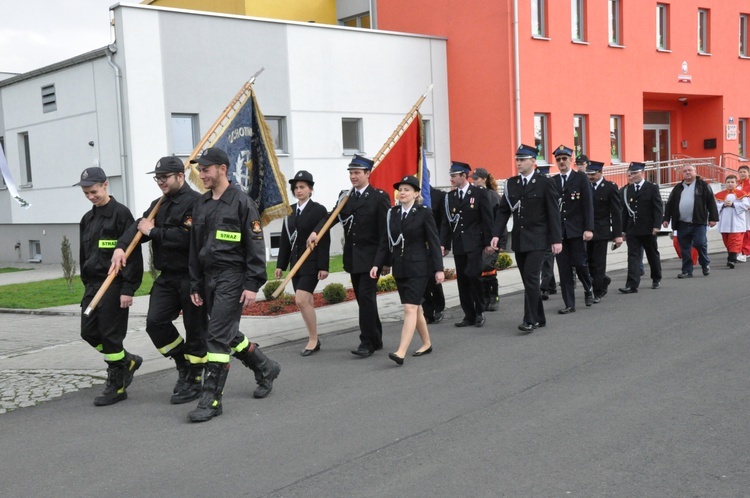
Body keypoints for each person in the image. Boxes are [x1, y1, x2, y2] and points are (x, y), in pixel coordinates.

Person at [187, 147, 280, 423]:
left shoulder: (242, 202)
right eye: (200, 170)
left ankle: (211, 400)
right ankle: (265, 367)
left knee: (215, 337)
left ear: (222, 169)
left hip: (232, 277)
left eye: (205, 169)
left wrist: (252, 283)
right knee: (226, 332)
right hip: (207, 279)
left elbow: (255, 246)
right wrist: (194, 284)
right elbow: (195, 248)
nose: (201, 174)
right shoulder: (201, 204)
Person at [110, 156, 207, 405]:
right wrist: (121, 247)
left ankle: (195, 378)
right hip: (167, 278)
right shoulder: (158, 204)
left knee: (196, 329)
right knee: (155, 323)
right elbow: (138, 227)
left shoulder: (196, 203)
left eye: (165, 177)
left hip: (192, 277)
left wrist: (153, 232)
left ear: (180, 176)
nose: (160, 182)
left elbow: (187, 238)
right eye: (157, 178)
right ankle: (182, 362)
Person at [308, 155, 390, 358]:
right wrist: (316, 231)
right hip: (353, 258)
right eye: (351, 173)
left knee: (366, 298)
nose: (353, 176)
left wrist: (386, 261)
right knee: (365, 301)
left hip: (371, 260)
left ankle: (367, 342)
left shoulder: (379, 197)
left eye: (357, 173)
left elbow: (385, 232)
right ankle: (376, 337)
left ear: (367, 174)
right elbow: (331, 217)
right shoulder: (345, 197)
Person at [75, 166, 143, 406]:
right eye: (86, 193)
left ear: (105, 185)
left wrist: (128, 289)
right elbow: (85, 254)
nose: (91, 196)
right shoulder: (88, 219)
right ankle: (127, 361)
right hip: (93, 286)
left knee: (110, 335)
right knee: (88, 332)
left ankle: (117, 385)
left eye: (93, 191)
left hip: (114, 285)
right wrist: (86, 282)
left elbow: (133, 255)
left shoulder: (121, 215)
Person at [371, 176, 444, 365]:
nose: (402, 193)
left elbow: (434, 242)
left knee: (409, 308)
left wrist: (439, 269)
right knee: (416, 308)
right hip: (400, 267)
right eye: (400, 189)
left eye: (407, 190)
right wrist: (376, 264)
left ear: (417, 193)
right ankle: (426, 343)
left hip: (419, 267)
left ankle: (401, 352)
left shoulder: (424, 213)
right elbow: (385, 242)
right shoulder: (392, 213)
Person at [492, 144, 562, 333]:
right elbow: (503, 211)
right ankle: (540, 316)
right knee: (527, 280)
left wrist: (557, 239)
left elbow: (553, 213)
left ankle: (529, 320)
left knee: (531, 278)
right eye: (517, 159)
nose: (519, 163)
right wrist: (496, 234)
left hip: (539, 239)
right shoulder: (512, 183)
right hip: (520, 239)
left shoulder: (545, 183)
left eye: (522, 159)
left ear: (533, 161)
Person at [275, 170, 330, 356]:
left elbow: (324, 239)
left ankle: (313, 339)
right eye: (296, 188)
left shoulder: (319, 210)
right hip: (295, 264)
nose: (298, 191)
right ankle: (314, 336)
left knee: (300, 300)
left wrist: (323, 266)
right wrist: (280, 265)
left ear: (310, 189)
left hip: (311, 263)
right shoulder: (290, 211)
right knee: (307, 301)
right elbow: (285, 240)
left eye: (302, 187)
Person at [440, 161, 495, 328]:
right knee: (462, 280)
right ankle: (468, 314)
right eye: (451, 176)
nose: (451, 179)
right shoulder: (450, 197)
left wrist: (488, 242)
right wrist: (444, 243)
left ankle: (479, 311)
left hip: (475, 243)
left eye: (454, 176)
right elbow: (445, 223)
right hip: (459, 244)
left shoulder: (479, 193)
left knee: (474, 276)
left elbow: (487, 219)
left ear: (464, 176)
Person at [551, 145, 595, 313]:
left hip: (577, 230)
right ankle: (569, 303)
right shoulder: (553, 182)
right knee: (564, 269)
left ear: (571, 160)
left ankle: (588, 286)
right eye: (558, 159)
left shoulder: (581, 178)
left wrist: (588, 228)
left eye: (564, 159)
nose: (562, 162)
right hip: (559, 233)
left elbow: (587, 205)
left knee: (579, 263)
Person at [662, 164, 718, 278]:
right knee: (685, 247)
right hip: (682, 223)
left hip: (698, 222)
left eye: (690, 170)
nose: (687, 172)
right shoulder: (678, 188)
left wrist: (713, 218)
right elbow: (670, 204)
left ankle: (705, 263)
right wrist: (666, 218)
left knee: (699, 243)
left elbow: (711, 202)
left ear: (695, 172)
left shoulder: (703, 185)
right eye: (685, 171)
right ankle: (687, 270)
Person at [619, 162, 663, 293]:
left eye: (635, 173)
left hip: (648, 228)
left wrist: (657, 225)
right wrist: (623, 230)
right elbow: (624, 212)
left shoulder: (651, 188)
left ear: (641, 173)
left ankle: (656, 278)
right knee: (633, 256)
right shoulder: (626, 190)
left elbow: (658, 208)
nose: (632, 176)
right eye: (630, 173)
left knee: (652, 254)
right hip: (632, 228)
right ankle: (632, 284)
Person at [585, 160, 623, 302]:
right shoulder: (585, 187)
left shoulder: (609, 187)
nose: (590, 177)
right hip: (586, 230)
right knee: (587, 262)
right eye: (588, 174)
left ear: (600, 172)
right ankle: (603, 280)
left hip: (601, 230)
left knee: (598, 262)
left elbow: (616, 212)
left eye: (593, 174)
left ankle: (598, 291)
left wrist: (617, 235)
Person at [470, 167, 505, 311]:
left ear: (484, 179)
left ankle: (493, 296)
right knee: (480, 269)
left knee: (488, 267)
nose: (474, 182)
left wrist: (500, 241)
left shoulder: (493, 196)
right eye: (473, 179)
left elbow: (499, 220)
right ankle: (484, 297)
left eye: (477, 179)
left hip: (492, 239)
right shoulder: (472, 195)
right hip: (477, 239)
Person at [422, 185, 447, 323]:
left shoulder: (439, 196)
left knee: (433, 278)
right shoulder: (412, 196)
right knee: (422, 279)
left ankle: (438, 307)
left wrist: (443, 243)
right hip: (418, 245)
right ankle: (427, 310)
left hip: (433, 243)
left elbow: (444, 221)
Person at [714, 175, 750, 268]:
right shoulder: (719, 195)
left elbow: (746, 205)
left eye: (732, 182)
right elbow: (714, 207)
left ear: (736, 183)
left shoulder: (742, 194)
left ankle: (731, 259)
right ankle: (733, 255)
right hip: (725, 222)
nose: (730, 184)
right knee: (727, 242)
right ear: (725, 183)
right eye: (728, 182)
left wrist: (733, 204)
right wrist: (723, 205)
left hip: (737, 222)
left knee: (735, 240)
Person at [536, 164, 558, 300]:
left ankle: (544, 288)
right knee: (545, 262)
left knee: (547, 262)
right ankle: (551, 285)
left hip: (549, 232)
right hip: (539, 233)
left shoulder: (550, 187)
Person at [736, 165, 750, 262]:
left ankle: (746, 251)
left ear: (748, 173)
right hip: (738, 210)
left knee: (747, 229)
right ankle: (740, 250)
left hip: (748, 210)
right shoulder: (737, 184)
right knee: (740, 230)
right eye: (740, 172)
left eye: (744, 172)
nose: (742, 174)